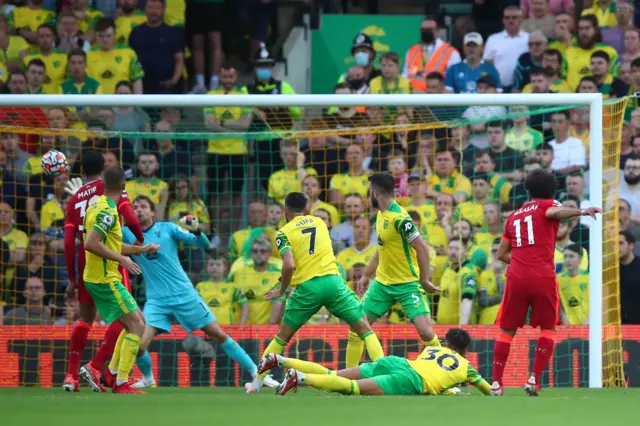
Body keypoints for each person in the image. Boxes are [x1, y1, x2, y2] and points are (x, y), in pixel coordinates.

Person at [118, 196, 274, 391]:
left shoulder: (168, 228)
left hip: (184, 295)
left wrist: (197, 230)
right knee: (139, 345)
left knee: (218, 335)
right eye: (135, 208)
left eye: (143, 207)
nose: (139, 210)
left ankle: (256, 372)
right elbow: (109, 244)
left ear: (152, 212)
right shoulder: (125, 233)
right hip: (157, 301)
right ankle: (148, 378)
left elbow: (202, 244)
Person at [251, 192, 385, 392]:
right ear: (306, 210)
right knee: (364, 329)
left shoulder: (283, 233)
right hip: (333, 282)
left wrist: (281, 288)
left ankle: (255, 384)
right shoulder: (319, 222)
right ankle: (383, 376)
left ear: (285, 211)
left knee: (282, 336)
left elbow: (289, 265)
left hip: (308, 288)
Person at [491, 169, 602, 396]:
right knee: (548, 328)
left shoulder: (514, 216)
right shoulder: (547, 205)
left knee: (506, 330)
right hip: (543, 276)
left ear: (528, 191)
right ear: (552, 191)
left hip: (516, 277)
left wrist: (522, 261)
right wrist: (582, 210)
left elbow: (501, 254)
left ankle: (496, 384)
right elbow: (554, 212)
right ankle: (533, 380)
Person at [62, 151, 145, 393]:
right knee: (130, 317)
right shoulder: (109, 192)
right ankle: (101, 368)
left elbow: (69, 242)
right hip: (108, 257)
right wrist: (140, 240)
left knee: (84, 320)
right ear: (105, 167)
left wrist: (71, 278)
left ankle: (70, 376)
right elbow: (129, 217)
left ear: (81, 169)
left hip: (84, 263)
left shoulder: (76, 197)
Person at [345, 172, 440, 368]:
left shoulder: (400, 218)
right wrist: (366, 274)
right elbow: (382, 249)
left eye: (369, 192)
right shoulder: (380, 215)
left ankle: (448, 374)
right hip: (382, 284)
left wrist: (424, 280)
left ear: (375, 193)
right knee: (357, 326)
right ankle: (347, 379)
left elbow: (421, 248)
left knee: (426, 332)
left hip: (407, 284)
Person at [81, 166, 159, 394]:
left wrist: (140, 249)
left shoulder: (96, 204)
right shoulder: (108, 212)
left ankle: (112, 374)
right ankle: (120, 382)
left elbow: (108, 243)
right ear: (124, 187)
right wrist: (122, 260)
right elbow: (91, 244)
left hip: (100, 276)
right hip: (104, 278)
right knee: (137, 325)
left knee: (135, 321)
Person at [263, 328, 491, 396]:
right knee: (353, 389)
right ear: (465, 350)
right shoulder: (466, 368)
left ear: (445, 342)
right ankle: (300, 378)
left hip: (396, 362)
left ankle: (280, 359)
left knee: (333, 374)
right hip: (410, 379)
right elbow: (488, 390)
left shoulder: (432, 348)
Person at [402, 16, 460, 92]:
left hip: (436, 99)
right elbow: (405, 76)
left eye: (429, 29)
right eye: (423, 29)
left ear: (437, 31)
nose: (426, 32)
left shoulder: (450, 52)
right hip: (413, 98)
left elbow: (453, 82)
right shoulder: (412, 51)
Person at [483, 6, 530, 91]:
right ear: (503, 20)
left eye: (514, 17)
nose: (510, 20)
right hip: (498, 88)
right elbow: (487, 64)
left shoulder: (529, 38)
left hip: (523, 88)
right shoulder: (493, 39)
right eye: (507, 18)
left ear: (521, 19)